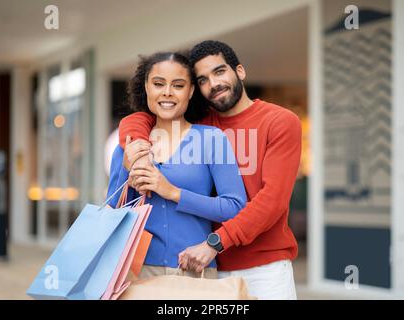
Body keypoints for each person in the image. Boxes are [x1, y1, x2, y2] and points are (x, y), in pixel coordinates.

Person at [119, 41, 302, 299]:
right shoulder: (201, 124)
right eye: (203, 79)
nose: (213, 84)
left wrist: (214, 243)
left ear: (240, 71)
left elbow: (272, 202)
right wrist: (135, 146)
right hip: (208, 266)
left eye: (219, 72)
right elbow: (142, 117)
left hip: (263, 268)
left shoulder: (279, 121)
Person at [106, 51, 247, 280]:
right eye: (158, 84)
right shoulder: (129, 144)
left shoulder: (211, 139)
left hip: (192, 270)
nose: (167, 92)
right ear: (147, 88)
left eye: (178, 85)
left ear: (190, 91)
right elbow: (112, 210)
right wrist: (125, 168)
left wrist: (172, 192)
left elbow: (234, 207)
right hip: (135, 273)